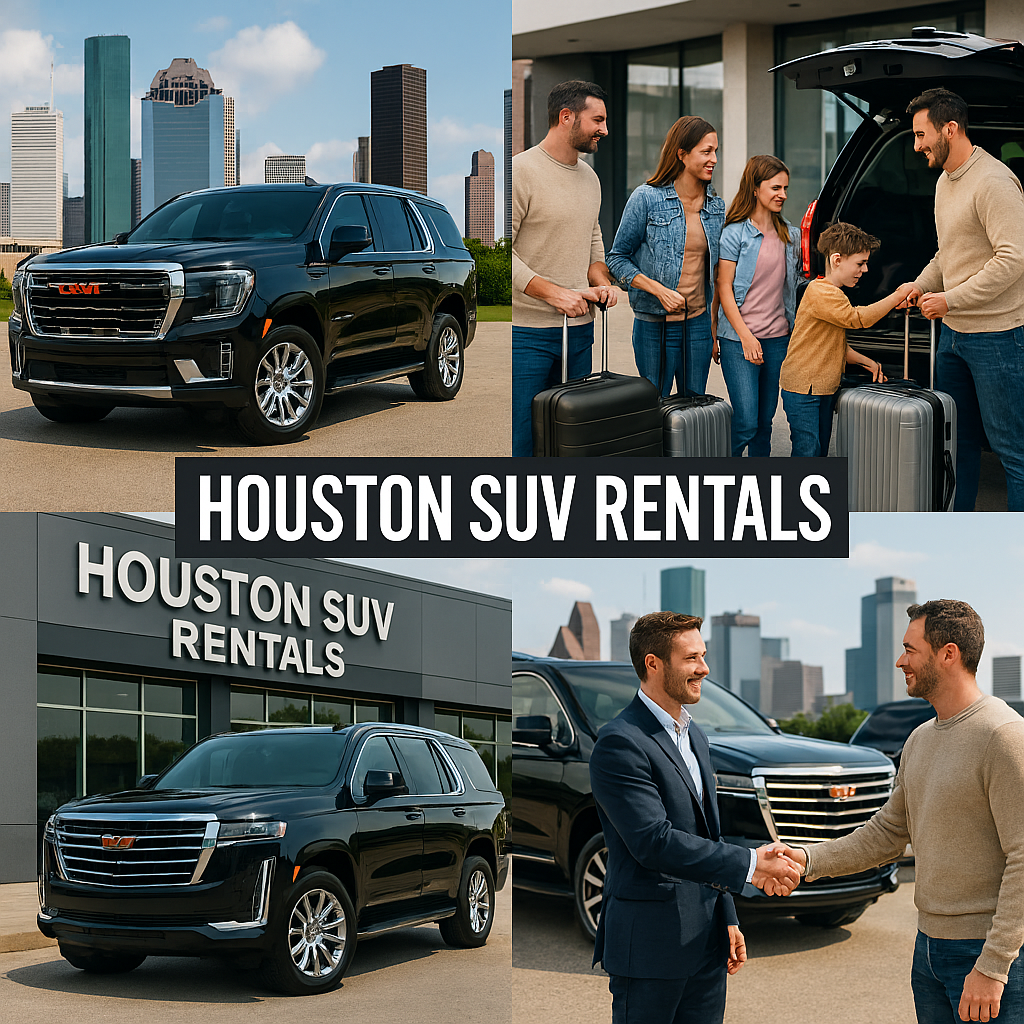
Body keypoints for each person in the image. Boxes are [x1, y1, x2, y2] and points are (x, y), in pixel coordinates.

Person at [770, 600, 1024, 1024]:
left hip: (986, 955)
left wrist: (994, 965)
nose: (900, 661)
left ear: (948, 654)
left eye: (910, 649)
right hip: (928, 950)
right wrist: (806, 859)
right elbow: (887, 832)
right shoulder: (920, 739)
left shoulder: (1004, 736)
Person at [589, 611, 802, 1024]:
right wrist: (753, 864)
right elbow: (653, 841)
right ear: (653, 664)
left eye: (703, 656)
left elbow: (708, 835)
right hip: (650, 949)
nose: (704, 668)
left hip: (707, 945)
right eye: (691, 658)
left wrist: (727, 916)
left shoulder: (696, 737)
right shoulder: (620, 742)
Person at [903, 87, 1024, 511]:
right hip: (952, 338)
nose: (916, 145)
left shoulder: (993, 182)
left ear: (949, 129)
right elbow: (948, 254)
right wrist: (920, 285)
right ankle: (962, 535)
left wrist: (949, 300)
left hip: (997, 337)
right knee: (959, 444)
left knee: (1013, 451)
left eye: (921, 135)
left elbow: (1013, 259)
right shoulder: (944, 182)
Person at [511, 80, 618, 457]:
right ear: (566, 116)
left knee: (572, 439)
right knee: (524, 439)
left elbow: (593, 238)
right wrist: (555, 294)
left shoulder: (591, 178)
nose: (605, 130)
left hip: (580, 331)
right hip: (527, 335)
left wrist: (600, 281)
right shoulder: (520, 172)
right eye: (598, 120)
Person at [606, 116, 722, 397]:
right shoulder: (646, 198)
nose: (714, 159)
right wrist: (659, 291)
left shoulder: (716, 206)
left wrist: (714, 326)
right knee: (654, 405)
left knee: (694, 407)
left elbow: (718, 274)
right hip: (653, 325)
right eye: (706, 151)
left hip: (697, 325)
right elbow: (617, 258)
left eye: (715, 151)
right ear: (682, 154)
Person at [779, 222, 913, 457]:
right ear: (837, 260)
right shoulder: (822, 292)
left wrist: (868, 362)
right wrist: (897, 295)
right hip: (804, 389)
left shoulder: (832, 293)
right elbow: (857, 319)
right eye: (860, 263)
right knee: (807, 450)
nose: (865, 270)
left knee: (819, 450)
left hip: (822, 386)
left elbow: (834, 345)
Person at [714, 155, 801, 457]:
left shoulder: (791, 235)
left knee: (764, 424)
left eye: (785, 188)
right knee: (746, 423)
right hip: (739, 340)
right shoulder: (734, 233)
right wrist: (745, 337)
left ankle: (759, 482)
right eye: (775, 188)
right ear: (755, 188)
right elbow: (724, 287)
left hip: (777, 340)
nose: (783, 195)